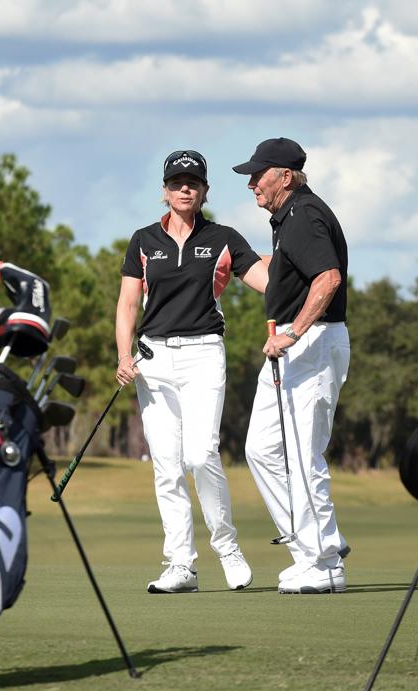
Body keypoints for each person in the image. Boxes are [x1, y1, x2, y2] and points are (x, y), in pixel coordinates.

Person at [116, 149, 269, 593]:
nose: (185, 188)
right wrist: (124, 356)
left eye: (194, 182)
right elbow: (128, 304)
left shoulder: (223, 238)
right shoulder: (143, 241)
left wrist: (303, 259)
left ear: (204, 191)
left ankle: (228, 548)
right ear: (164, 192)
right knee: (166, 464)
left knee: (200, 455)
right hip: (153, 360)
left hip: (204, 353)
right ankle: (180, 564)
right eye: (177, 182)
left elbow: (264, 280)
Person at [234, 137, 351, 594]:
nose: (250, 184)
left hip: (312, 343)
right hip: (292, 346)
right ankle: (318, 546)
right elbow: (286, 276)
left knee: (304, 456)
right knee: (261, 449)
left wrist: (294, 331)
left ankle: (323, 563)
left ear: (285, 176)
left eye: (257, 175)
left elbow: (328, 278)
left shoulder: (303, 215)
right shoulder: (288, 219)